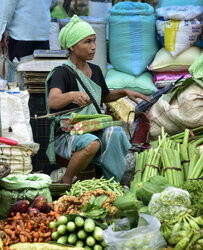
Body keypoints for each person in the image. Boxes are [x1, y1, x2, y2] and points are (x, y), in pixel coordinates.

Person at [46, 15, 149, 185]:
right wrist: (71, 95)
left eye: (94, 41)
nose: (93, 47)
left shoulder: (96, 70)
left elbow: (103, 96)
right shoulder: (61, 73)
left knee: (116, 132)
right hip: (68, 134)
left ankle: (112, 184)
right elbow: (53, 100)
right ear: (72, 46)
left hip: (94, 128)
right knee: (92, 143)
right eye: (87, 42)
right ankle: (66, 180)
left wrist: (124, 92)